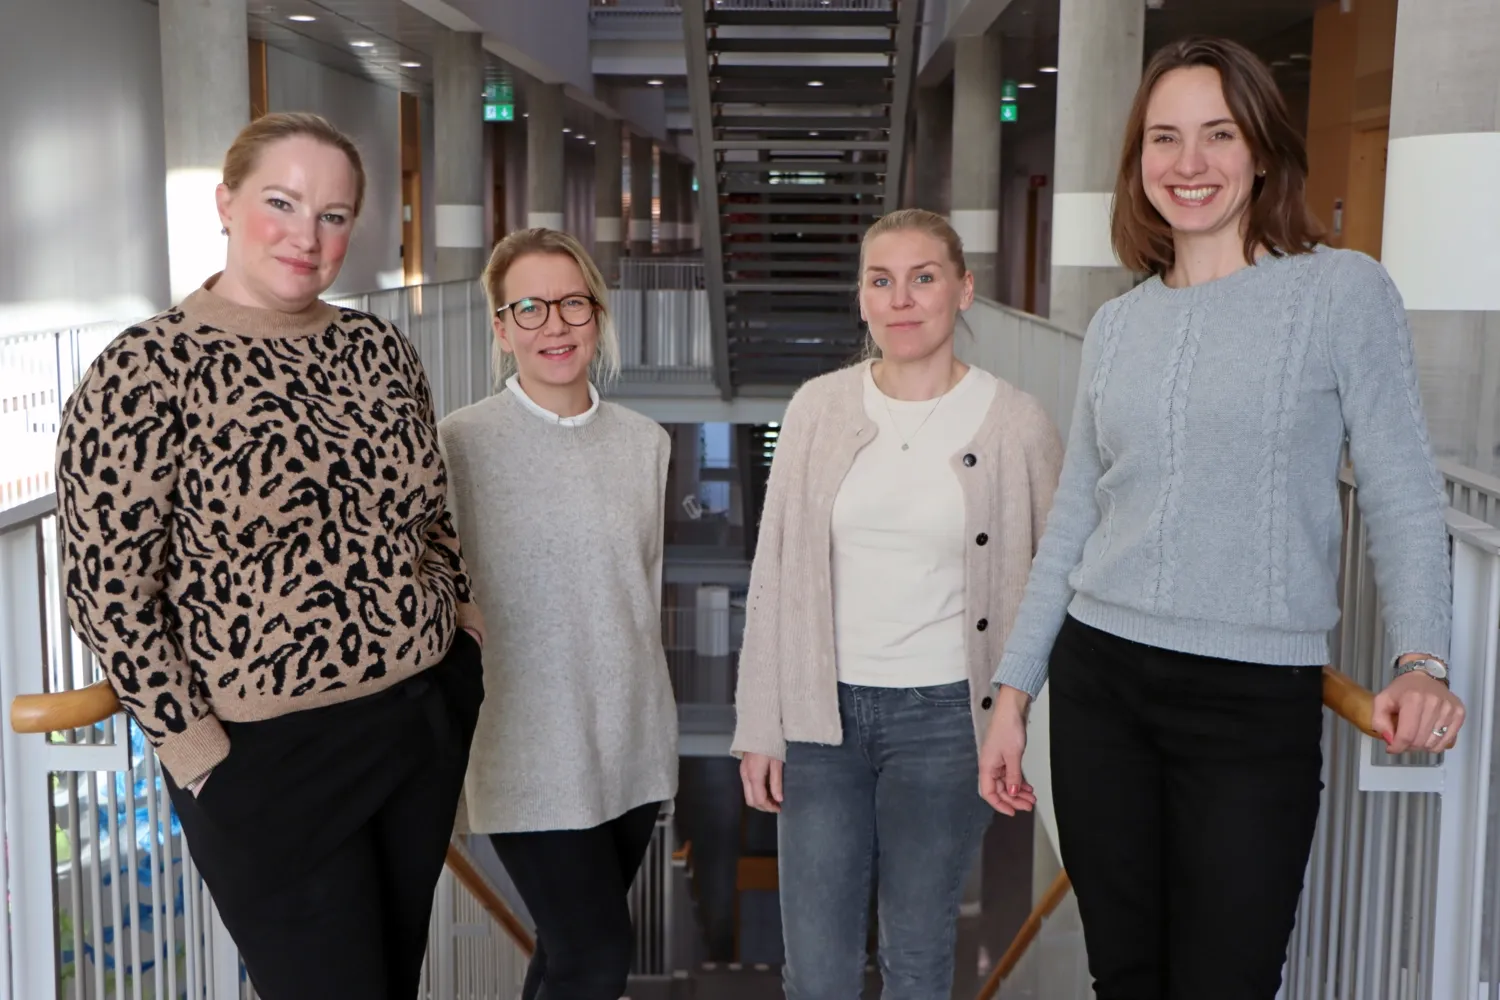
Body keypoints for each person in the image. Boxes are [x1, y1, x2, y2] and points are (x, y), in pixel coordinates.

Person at [978, 37, 1465, 1000]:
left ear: (1262, 151)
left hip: (1251, 702)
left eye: (1217, 134)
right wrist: (1012, 692)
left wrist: (1420, 658)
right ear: (1138, 163)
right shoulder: (1120, 324)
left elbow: (1405, 489)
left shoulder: (1340, 291)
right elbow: (1076, 517)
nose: (1188, 164)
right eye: (1165, 138)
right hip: (1101, 682)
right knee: (1125, 977)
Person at [54, 113, 486, 999]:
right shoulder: (146, 368)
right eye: (281, 203)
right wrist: (195, 750)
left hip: (416, 722)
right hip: (263, 758)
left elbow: (430, 513)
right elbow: (108, 590)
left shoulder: (376, 348)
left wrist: (460, 630)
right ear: (226, 201)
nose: (307, 235)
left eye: (334, 215)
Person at [734, 208, 1063, 999]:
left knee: (917, 955)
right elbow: (774, 572)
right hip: (821, 717)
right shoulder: (818, 407)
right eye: (881, 281)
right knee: (817, 970)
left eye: (924, 278)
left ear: (963, 290)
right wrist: (759, 725)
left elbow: (1052, 583)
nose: (902, 299)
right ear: (862, 298)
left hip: (947, 718)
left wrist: (1020, 718)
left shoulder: (1016, 422)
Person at [439, 227, 678, 1000]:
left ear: (597, 315)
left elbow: (640, 590)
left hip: (631, 736)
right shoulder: (460, 445)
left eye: (572, 303)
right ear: (502, 329)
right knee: (598, 954)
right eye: (531, 308)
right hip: (523, 743)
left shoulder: (646, 443)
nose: (556, 325)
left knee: (566, 952)